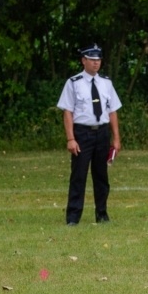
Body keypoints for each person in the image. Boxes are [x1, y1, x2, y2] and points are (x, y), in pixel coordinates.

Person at [57, 44, 122, 225]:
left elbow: (112, 111)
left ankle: (102, 214)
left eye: (98, 60)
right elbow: (68, 112)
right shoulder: (73, 83)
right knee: (79, 175)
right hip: (82, 133)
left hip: (102, 133)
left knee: (101, 176)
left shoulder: (106, 83)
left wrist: (116, 138)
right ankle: (73, 217)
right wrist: (71, 138)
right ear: (83, 61)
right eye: (92, 59)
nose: (96, 63)